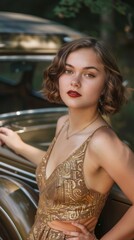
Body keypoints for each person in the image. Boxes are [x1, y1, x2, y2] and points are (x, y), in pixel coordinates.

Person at [0, 37, 134, 240]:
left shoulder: (103, 141)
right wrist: (19, 146)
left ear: (107, 84)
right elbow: (60, 173)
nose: (75, 81)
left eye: (89, 74)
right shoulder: (63, 123)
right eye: (68, 70)